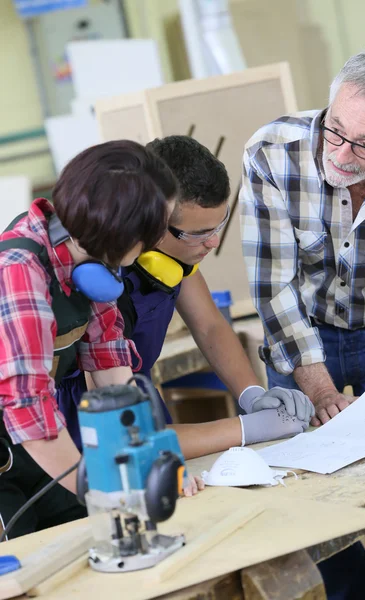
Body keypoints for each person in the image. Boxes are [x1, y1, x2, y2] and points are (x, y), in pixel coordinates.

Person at [57, 136, 315, 487]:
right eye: (200, 234)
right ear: (152, 221)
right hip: (85, 426)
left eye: (219, 226)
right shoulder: (101, 279)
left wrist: (252, 395)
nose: (214, 243)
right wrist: (246, 428)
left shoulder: (176, 258)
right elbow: (128, 434)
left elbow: (210, 326)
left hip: (142, 402)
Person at [240, 48, 365, 600]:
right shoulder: (272, 152)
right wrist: (321, 388)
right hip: (303, 331)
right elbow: (273, 288)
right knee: (308, 486)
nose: (343, 153)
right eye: (335, 131)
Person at [0, 140, 177, 538]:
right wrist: (103, 491)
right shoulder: (18, 269)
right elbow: (27, 405)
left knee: (88, 535)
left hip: (30, 442)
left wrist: (147, 463)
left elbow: (110, 369)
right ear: (121, 233)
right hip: (16, 436)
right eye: (152, 230)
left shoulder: (89, 257)